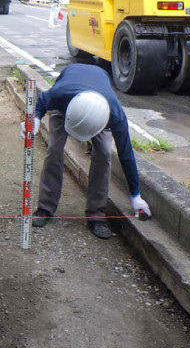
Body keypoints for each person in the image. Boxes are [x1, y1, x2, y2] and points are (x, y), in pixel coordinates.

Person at [22, 63, 151, 239]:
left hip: (98, 108)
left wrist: (135, 195)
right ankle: (45, 208)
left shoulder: (114, 114)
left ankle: (96, 216)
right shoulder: (60, 94)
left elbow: (126, 155)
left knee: (104, 153)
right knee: (54, 149)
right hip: (66, 108)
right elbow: (41, 101)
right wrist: (35, 119)